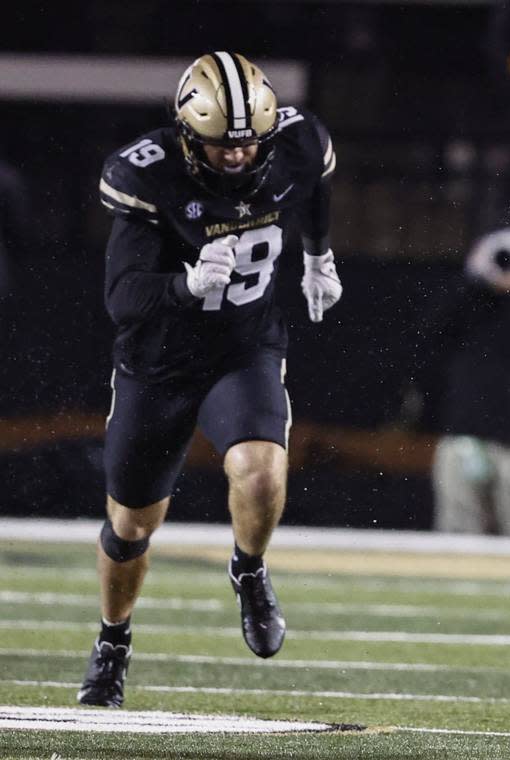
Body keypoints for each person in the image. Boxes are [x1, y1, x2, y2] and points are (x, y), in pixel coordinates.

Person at [78, 52, 342, 708]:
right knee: (133, 526)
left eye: (248, 145)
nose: (237, 158)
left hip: (243, 347)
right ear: (188, 135)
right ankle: (114, 639)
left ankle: (248, 569)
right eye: (222, 146)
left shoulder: (296, 142)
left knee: (260, 472)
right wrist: (187, 285)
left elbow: (314, 184)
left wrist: (318, 253)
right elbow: (123, 299)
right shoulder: (149, 175)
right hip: (157, 363)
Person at [431, 226, 510, 537]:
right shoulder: (471, 301)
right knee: (457, 537)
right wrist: (474, 278)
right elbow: (432, 332)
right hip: (467, 434)